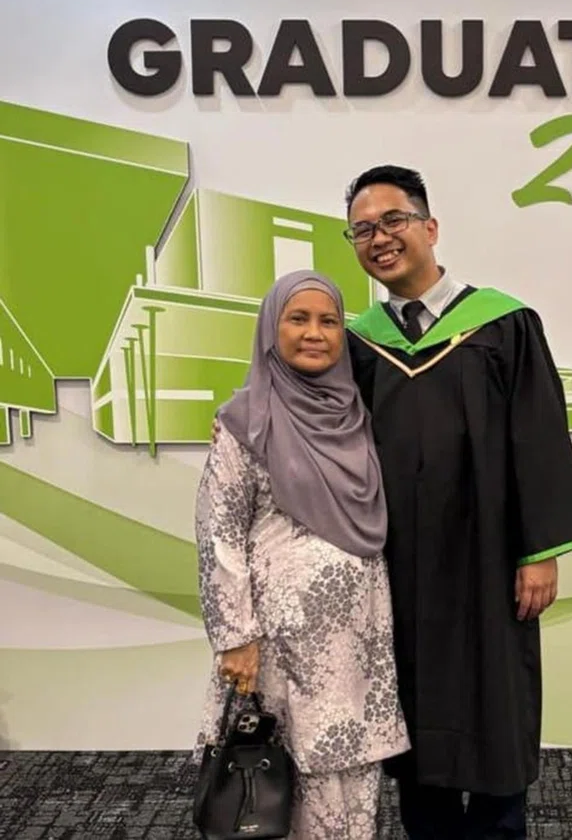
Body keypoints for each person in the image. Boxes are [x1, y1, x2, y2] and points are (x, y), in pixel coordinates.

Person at [343, 165, 572, 840]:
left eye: (393, 221)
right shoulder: (360, 341)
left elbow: (538, 437)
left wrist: (539, 551)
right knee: (412, 721)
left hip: (488, 559)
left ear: (430, 228)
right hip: (398, 564)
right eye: (363, 229)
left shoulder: (504, 323)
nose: (380, 238)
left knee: (496, 712)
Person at [194, 270, 409, 839]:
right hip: (279, 647)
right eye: (298, 318)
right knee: (275, 781)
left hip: (356, 642)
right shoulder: (245, 421)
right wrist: (236, 635)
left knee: (350, 776)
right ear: (271, 329)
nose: (315, 333)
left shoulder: (358, 417)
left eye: (329, 321)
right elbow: (220, 532)